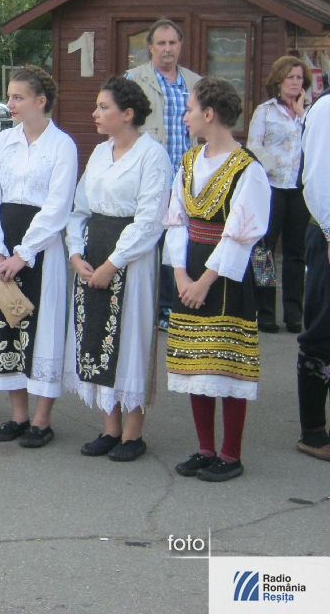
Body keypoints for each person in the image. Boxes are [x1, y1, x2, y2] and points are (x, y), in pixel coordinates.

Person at [164, 77, 271, 482]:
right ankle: (205, 448)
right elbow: (176, 219)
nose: (185, 116)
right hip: (190, 266)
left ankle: (230, 454)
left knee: (227, 364)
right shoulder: (190, 161)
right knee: (196, 361)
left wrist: (204, 281)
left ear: (209, 114)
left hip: (226, 276)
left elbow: (240, 235)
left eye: (190, 109)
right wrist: (180, 274)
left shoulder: (248, 169)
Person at [62, 76, 171, 461]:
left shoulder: (152, 155)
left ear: (128, 114)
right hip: (94, 252)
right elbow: (79, 209)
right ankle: (110, 427)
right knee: (96, 335)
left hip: (131, 261)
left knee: (130, 338)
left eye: (103, 107)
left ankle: (133, 433)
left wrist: (113, 263)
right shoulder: (99, 152)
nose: (95, 113)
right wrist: (76, 253)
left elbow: (150, 219)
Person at [0, 66, 78, 449]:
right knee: (6, 324)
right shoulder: (4, 141)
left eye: (18, 97)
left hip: (40, 248)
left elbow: (58, 206)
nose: (10, 103)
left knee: (42, 326)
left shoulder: (62, 145)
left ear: (40, 101)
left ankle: (42, 420)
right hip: (2, 243)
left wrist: (23, 253)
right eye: (9, 96)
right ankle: (18, 414)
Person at [125, 19, 202, 330]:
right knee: (147, 239)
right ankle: (146, 306)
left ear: (180, 45)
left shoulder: (195, 82)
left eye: (172, 43)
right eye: (161, 43)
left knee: (177, 242)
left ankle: (171, 307)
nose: (167, 49)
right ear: (150, 47)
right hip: (148, 177)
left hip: (184, 179)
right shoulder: (134, 80)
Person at [247, 56, 312, 334]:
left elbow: (316, 144)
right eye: (290, 78)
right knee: (264, 251)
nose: (295, 83)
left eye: (299, 78)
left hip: (299, 188)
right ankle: (265, 311)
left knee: (296, 253)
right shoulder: (265, 111)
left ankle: (294, 312)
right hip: (271, 187)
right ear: (278, 80)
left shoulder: (309, 114)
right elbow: (254, 146)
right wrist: (270, 167)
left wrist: (302, 114)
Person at [298, 87, 330, 461]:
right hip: (326, 231)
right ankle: (313, 430)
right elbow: (319, 176)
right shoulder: (326, 109)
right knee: (323, 328)